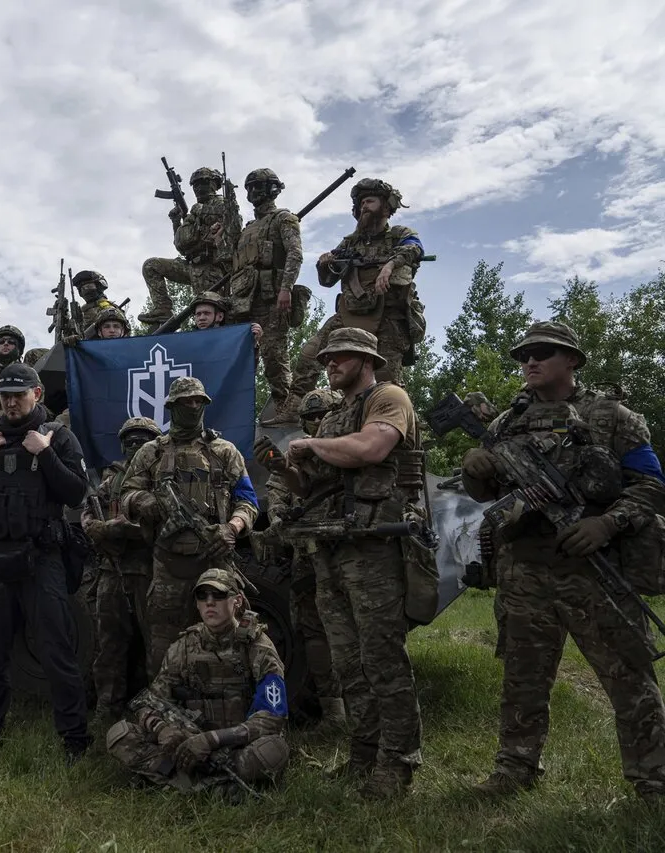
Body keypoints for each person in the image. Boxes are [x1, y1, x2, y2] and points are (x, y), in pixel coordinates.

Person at [459, 321, 665, 799]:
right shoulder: (504, 424)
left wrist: (606, 524)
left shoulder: (613, 417)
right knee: (523, 676)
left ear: (572, 359)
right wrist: (475, 473)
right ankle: (515, 767)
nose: (530, 361)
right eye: (525, 354)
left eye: (544, 353)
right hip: (525, 571)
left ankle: (652, 779)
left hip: (595, 572)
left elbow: (652, 487)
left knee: (628, 677)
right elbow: (491, 496)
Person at [262, 328, 425, 799]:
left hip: (374, 546)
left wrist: (308, 446)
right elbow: (309, 489)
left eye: (341, 357)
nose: (330, 363)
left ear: (366, 360)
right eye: (328, 357)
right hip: (330, 546)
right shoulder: (332, 418)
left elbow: (372, 449)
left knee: (382, 659)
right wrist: (283, 468)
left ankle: (397, 763)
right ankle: (364, 754)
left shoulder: (388, 397)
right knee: (349, 662)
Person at [0, 362, 92, 762]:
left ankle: (74, 739)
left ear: (37, 395)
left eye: (19, 394)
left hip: (41, 559)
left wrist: (46, 456)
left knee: (57, 652)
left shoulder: (57, 437)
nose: (11, 402)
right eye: (5, 396)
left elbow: (76, 493)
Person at [105, 567, 289, 794]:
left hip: (235, 747)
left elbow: (272, 717)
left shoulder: (258, 646)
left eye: (219, 595)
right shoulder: (183, 646)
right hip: (186, 743)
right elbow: (149, 702)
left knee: (273, 750)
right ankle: (214, 786)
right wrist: (162, 730)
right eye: (202, 596)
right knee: (120, 735)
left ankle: (177, 781)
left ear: (237, 601)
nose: (209, 602)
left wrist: (212, 740)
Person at [120, 376, 259, 674]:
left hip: (215, 562)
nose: (194, 407)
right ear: (173, 406)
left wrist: (232, 527)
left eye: (199, 402)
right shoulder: (152, 452)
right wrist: (147, 503)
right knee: (163, 646)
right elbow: (126, 495)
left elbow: (248, 501)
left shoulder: (224, 451)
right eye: (186, 402)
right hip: (169, 563)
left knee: (227, 641)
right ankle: (163, 710)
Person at [255, 389, 345, 725]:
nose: (317, 422)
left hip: (348, 556)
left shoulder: (350, 452)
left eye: (323, 415)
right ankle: (334, 709)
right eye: (311, 418)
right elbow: (277, 496)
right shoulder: (295, 460)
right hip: (309, 559)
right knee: (312, 633)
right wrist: (280, 518)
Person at [289, 178, 427, 396]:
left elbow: (415, 249)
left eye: (370, 201)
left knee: (385, 382)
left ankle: (390, 420)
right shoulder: (350, 243)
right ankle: (294, 409)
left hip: (387, 319)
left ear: (386, 206)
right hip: (349, 314)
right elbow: (327, 281)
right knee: (309, 356)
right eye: (361, 203)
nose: (364, 207)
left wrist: (390, 265)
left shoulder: (399, 235)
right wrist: (325, 265)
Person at [82, 416, 160, 721]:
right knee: (109, 644)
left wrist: (118, 529)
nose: (135, 445)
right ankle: (108, 709)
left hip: (149, 570)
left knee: (156, 645)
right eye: (130, 440)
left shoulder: (160, 478)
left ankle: (156, 711)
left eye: (142, 440)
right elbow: (90, 511)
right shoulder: (111, 477)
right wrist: (95, 528)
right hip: (112, 571)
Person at [226, 168, 305, 425]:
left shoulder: (283, 219)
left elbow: (295, 253)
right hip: (244, 302)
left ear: (273, 188)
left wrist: (286, 289)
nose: (253, 193)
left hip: (272, 300)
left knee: (275, 358)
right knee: (242, 363)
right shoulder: (248, 229)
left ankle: (287, 412)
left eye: (258, 186)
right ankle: (237, 415)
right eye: (249, 187)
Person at [140, 167, 242, 325]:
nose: (199, 188)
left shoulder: (222, 205)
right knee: (151, 265)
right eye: (195, 184)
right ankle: (163, 309)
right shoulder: (195, 210)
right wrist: (176, 222)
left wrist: (198, 215)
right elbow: (182, 244)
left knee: (210, 313)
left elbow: (233, 231)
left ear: (215, 184)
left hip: (210, 268)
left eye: (204, 183)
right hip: (191, 266)